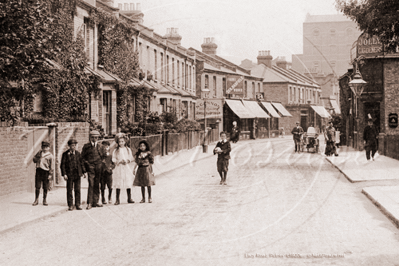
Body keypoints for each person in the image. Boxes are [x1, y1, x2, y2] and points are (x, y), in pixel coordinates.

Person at [81, 130, 105, 210]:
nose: (94, 139)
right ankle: (89, 203)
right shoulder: (86, 146)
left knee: (97, 184)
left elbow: (103, 157)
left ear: (98, 138)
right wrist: (85, 167)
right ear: (90, 138)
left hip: (98, 167)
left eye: (96, 137)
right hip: (90, 168)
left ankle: (96, 201)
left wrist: (101, 165)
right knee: (91, 184)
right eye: (92, 137)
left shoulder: (101, 146)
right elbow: (82, 158)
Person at [61, 139, 86, 211]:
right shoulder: (65, 154)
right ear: (69, 146)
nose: (74, 147)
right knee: (69, 189)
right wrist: (64, 174)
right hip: (69, 175)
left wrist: (84, 172)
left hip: (77, 174)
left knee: (77, 189)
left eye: (75, 145)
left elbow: (81, 163)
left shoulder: (78, 154)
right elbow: (62, 165)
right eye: (72, 145)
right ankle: (70, 205)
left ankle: (78, 204)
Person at [112, 133, 135, 205]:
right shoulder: (116, 150)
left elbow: (131, 157)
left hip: (126, 167)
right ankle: (117, 199)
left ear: (125, 142)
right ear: (118, 142)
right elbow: (113, 158)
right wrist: (118, 161)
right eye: (120, 142)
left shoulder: (128, 149)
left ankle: (129, 198)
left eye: (122, 141)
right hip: (119, 167)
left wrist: (127, 161)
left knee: (127, 181)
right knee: (119, 182)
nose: (121, 143)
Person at [32, 141, 54, 206]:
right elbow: (34, 160)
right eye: (43, 147)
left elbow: (51, 166)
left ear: (49, 148)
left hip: (46, 171)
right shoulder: (39, 153)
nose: (45, 148)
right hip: (39, 171)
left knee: (45, 186)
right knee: (37, 186)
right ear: (41, 147)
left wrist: (50, 174)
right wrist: (37, 157)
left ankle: (44, 200)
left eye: (46, 147)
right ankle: (36, 200)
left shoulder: (50, 155)